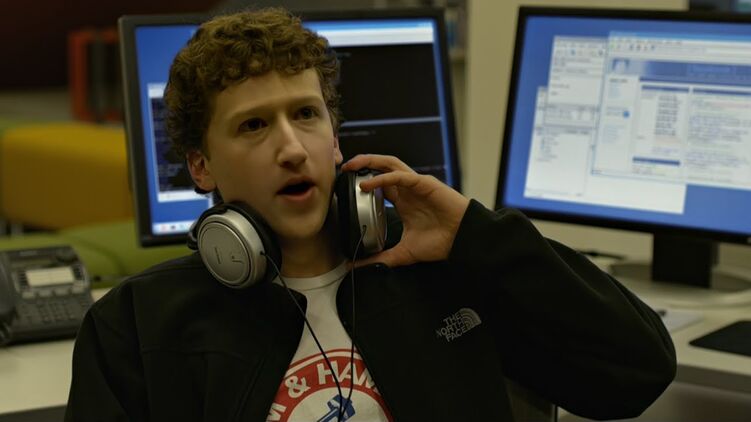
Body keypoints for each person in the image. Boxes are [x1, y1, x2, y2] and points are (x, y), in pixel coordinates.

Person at [66, 7, 675, 422]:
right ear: (201, 167)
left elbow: (637, 373)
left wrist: (478, 235)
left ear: (335, 140)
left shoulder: (442, 271)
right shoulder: (138, 324)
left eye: (306, 115)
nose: (291, 148)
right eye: (253, 125)